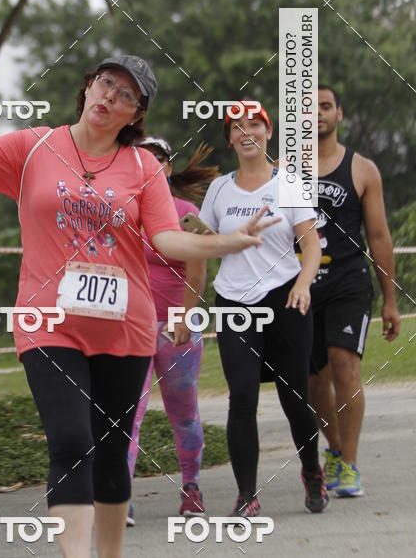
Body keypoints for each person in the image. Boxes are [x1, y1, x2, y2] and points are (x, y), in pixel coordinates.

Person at [0, 57, 278, 558]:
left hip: (125, 329)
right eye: (106, 84)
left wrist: (228, 243)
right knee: (72, 442)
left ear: (135, 115)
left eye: (124, 95)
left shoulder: (141, 168)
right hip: (49, 323)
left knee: (113, 454)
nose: (109, 97)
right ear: (89, 86)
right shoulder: (35, 147)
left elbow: (167, 239)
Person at [199, 99, 329, 517]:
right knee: (242, 398)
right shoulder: (219, 189)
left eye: (255, 124)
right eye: (237, 127)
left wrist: (304, 284)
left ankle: (312, 471)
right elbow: (203, 244)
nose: (246, 132)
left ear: (268, 133)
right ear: (230, 138)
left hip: (285, 297)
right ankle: (247, 494)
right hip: (234, 301)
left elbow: (310, 246)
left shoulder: (288, 184)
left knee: (295, 396)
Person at [305, 85, 400, 497]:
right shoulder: (285, 169)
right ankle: (335, 448)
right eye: (309, 109)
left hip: (349, 280)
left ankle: (351, 465)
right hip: (302, 285)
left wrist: (391, 299)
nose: (318, 114)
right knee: (313, 380)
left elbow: (378, 236)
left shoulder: (363, 169)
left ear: (339, 114)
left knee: (344, 365)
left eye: (326, 106)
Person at [126, 137, 219, 525]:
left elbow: (198, 270)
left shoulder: (185, 213)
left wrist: (185, 316)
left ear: (167, 167)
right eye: (141, 157)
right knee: (128, 414)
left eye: (158, 158)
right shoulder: (124, 212)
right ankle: (120, 497)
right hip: (129, 326)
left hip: (176, 325)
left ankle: (192, 488)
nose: (150, 163)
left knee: (183, 412)